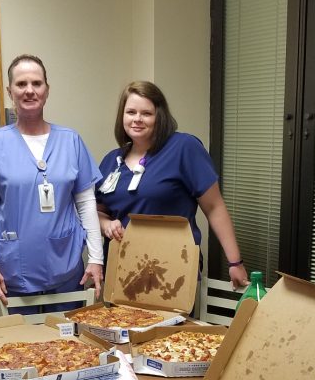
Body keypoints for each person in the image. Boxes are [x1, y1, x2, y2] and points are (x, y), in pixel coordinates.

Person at [0, 54, 104, 313]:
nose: (29, 90)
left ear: (47, 90)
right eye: (21, 84)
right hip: (13, 269)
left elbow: (86, 204)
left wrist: (96, 259)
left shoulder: (71, 140)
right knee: (21, 349)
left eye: (37, 83)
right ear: (10, 91)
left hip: (66, 266)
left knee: (68, 345)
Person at [96, 81, 248, 287]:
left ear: (160, 116)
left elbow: (214, 207)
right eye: (131, 112)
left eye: (146, 113)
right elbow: (99, 212)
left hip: (173, 267)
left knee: (174, 321)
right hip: (123, 269)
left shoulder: (184, 148)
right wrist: (107, 225)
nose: (137, 119)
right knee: (123, 320)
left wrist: (234, 261)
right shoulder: (111, 161)